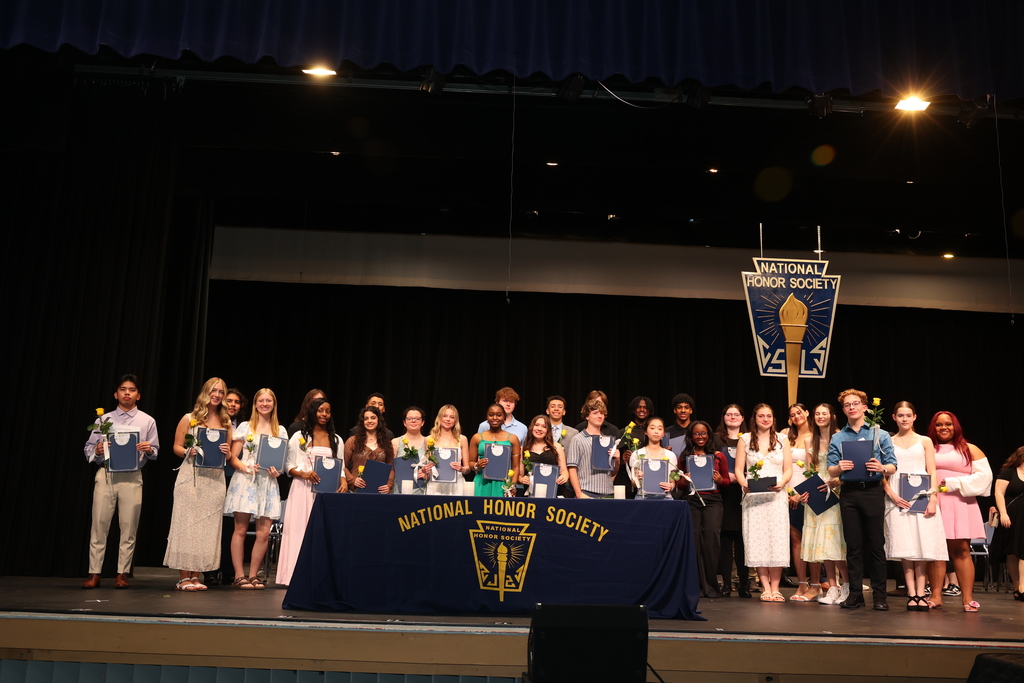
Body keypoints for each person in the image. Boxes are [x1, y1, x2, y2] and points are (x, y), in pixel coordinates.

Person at [81, 374, 159, 589]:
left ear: (138, 395)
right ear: (116, 394)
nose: (127, 393)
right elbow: (88, 448)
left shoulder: (147, 420)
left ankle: (122, 573)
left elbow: (155, 451)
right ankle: (94, 573)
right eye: (123, 389)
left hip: (132, 477)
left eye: (131, 390)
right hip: (106, 475)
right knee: (99, 524)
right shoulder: (103, 420)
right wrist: (96, 450)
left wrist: (148, 449)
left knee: (129, 526)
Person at [826, 389, 898, 610]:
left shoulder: (880, 434)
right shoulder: (838, 437)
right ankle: (855, 594)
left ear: (865, 407)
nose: (851, 407)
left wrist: (882, 467)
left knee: (876, 544)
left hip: (873, 491)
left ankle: (879, 596)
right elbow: (831, 470)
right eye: (847, 405)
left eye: (855, 404)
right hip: (849, 493)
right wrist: (839, 468)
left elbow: (893, 465)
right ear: (843, 409)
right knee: (853, 546)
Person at [165, 377, 232, 592]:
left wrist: (228, 453)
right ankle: (184, 576)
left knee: (205, 528)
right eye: (214, 390)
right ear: (206, 392)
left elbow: (228, 453)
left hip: (214, 480)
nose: (217, 395)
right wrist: (187, 451)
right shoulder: (189, 418)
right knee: (187, 525)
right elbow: (176, 446)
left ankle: (196, 576)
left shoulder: (226, 422)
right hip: (191, 477)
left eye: (221, 392)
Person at [882, 401, 947, 610]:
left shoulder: (925, 441)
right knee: (905, 545)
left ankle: (922, 592)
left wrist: (934, 497)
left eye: (908, 415)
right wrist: (890, 493)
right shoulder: (887, 440)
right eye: (900, 415)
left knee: (922, 544)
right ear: (894, 417)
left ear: (914, 417)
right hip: (897, 495)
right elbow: (881, 471)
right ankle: (911, 593)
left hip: (921, 494)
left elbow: (932, 470)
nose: (904, 419)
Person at [276, 398, 346, 586]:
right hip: (302, 489)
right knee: (300, 530)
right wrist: (303, 474)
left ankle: (319, 575)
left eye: (328, 411)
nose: (324, 415)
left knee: (323, 532)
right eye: (321, 410)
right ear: (313, 411)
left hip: (326, 493)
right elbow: (288, 465)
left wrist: (344, 481)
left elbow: (340, 466)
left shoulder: (336, 439)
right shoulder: (299, 436)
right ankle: (294, 575)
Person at [927, 411, 992, 612]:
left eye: (948, 424)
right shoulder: (927, 447)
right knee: (936, 552)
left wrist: (954, 483)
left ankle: (968, 598)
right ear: (933, 427)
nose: (944, 428)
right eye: (939, 425)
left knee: (962, 550)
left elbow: (985, 478)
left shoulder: (969, 449)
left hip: (960, 503)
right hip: (934, 502)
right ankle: (936, 596)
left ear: (956, 426)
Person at [223, 388, 287, 589]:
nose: (265, 404)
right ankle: (239, 575)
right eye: (261, 400)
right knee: (240, 530)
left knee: (263, 534)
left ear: (274, 404)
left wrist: (278, 471)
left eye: (269, 400)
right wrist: (246, 467)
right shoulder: (245, 426)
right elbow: (232, 457)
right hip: (246, 481)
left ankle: (253, 575)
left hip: (267, 483)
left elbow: (283, 463)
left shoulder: (281, 431)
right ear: (255, 404)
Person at [735, 403, 792, 602]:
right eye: (761, 416)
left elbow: (788, 469)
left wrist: (783, 483)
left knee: (777, 540)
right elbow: (738, 469)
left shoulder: (783, 439)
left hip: (777, 497)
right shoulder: (745, 439)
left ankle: (776, 588)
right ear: (755, 418)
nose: (765, 419)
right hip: (754, 498)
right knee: (757, 540)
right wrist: (744, 484)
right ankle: (765, 587)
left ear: (773, 418)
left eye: (769, 416)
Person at [799, 403, 849, 605]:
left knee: (836, 543)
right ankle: (832, 587)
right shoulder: (810, 439)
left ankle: (847, 585)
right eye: (817, 413)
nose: (820, 416)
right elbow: (811, 470)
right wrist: (807, 491)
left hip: (836, 492)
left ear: (832, 416)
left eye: (824, 413)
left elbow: (848, 466)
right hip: (818, 494)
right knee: (823, 545)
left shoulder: (841, 437)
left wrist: (839, 480)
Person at [679, 420, 730, 598]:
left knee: (710, 543)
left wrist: (719, 480)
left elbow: (726, 481)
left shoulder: (718, 456)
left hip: (713, 501)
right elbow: (678, 482)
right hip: (692, 501)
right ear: (691, 436)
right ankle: (695, 586)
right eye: (696, 434)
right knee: (693, 543)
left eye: (703, 433)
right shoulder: (685, 456)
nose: (700, 437)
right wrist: (683, 481)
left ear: (708, 435)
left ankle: (711, 587)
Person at [715, 404, 750, 597]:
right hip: (724, 494)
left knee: (744, 541)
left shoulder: (750, 439)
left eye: (737, 414)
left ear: (743, 417)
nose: (733, 417)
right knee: (726, 541)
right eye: (729, 414)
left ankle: (744, 585)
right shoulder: (715, 438)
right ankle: (727, 585)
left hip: (746, 493)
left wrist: (740, 477)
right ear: (724, 417)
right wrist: (727, 477)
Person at [784, 403, 816, 601]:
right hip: (789, 492)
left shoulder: (816, 434)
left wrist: (802, 493)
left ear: (807, 413)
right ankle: (801, 583)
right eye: (792, 414)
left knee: (813, 540)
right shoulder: (786, 435)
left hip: (809, 492)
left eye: (799, 412)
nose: (796, 416)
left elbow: (817, 466)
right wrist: (788, 494)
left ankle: (816, 583)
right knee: (796, 540)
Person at [567, 398, 621, 498]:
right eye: (595, 413)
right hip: (587, 492)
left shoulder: (608, 441)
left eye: (602, 413)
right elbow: (572, 469)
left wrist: (617, 461)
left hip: (607, 493)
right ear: (587, 416)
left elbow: (612, 474)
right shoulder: (578, 439)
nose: (600, 416)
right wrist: (579, 494)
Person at [991, 446, 1024, 601]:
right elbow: (999, 493)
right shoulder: (1009, 473)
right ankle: (1017, 587)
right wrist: (1003, 513)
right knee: (1011, 553)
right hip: (1012, 516)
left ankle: (1023, 587)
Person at [469, 404, 523, 496]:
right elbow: (470, 462)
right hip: (482, 481)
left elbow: (516, 466)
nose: (495, 418)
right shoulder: (477, 437)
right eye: (491, 414)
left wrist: (512, 486)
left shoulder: (513, 438)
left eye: (499, 415)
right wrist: (477, 466)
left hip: (503, 483)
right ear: (487, 417)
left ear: (504, 417)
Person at [345, 405, 395, 492]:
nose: (369, 421)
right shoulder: (352, 441)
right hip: (356, 491)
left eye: (373, 418)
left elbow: (391, 468)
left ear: (378, 420)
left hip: (379, 491)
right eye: (366, 419)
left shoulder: (386, 442)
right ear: (362, 421)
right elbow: (342, 466)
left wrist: (389, 485)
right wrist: (352, 480)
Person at [424, 405, 471, 496]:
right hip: (435, 485)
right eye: (445, 416)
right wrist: (425, 469)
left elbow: (467, 468)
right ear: (439, 418)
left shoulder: (462, 439)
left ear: (456, 420)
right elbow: (428, 466)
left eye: (452, 417)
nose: (448, 419)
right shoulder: (429, 439)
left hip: (457, 485)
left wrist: (461, 469)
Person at [519, 415, 569, 497]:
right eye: (537, 425)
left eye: (544, 426)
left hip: (554, 493)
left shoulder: (556, 447)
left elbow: (564, 470)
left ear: (548, 430)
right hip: (531, 495)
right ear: (532, 427)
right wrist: (522, 479)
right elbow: (520, 476)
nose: (539, 429)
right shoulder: (523, 449)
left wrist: (564, 477)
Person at [627, 418, 676, 500]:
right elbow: (633, 483)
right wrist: (637, 479)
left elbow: (672, 481)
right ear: (646, 431)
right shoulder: (637, 454)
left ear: (663, 433)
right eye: (652, 428)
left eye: (660, 429)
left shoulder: (670, 455)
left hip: (665, 498)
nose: (656, 431)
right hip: (642, 497)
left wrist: (671, 486)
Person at [615, 396, 655, 499]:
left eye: (645, 407)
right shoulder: (623, 432)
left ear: (650, 411)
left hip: (649, 478)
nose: (642, 410)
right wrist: (623, 460)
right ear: (633, 410)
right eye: (638, 407)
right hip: (626, 479)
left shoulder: (653, 432)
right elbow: (614, 459)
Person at [392, 406, 434, 495]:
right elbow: (391, 468)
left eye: (417, 419)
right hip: (399, 491)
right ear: (404, 422)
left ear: (422, 422)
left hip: (422, 491)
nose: (413, 421)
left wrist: (427, 475)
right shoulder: (396, 442)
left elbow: (434, 469)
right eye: (410, 418)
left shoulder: (428, 442)